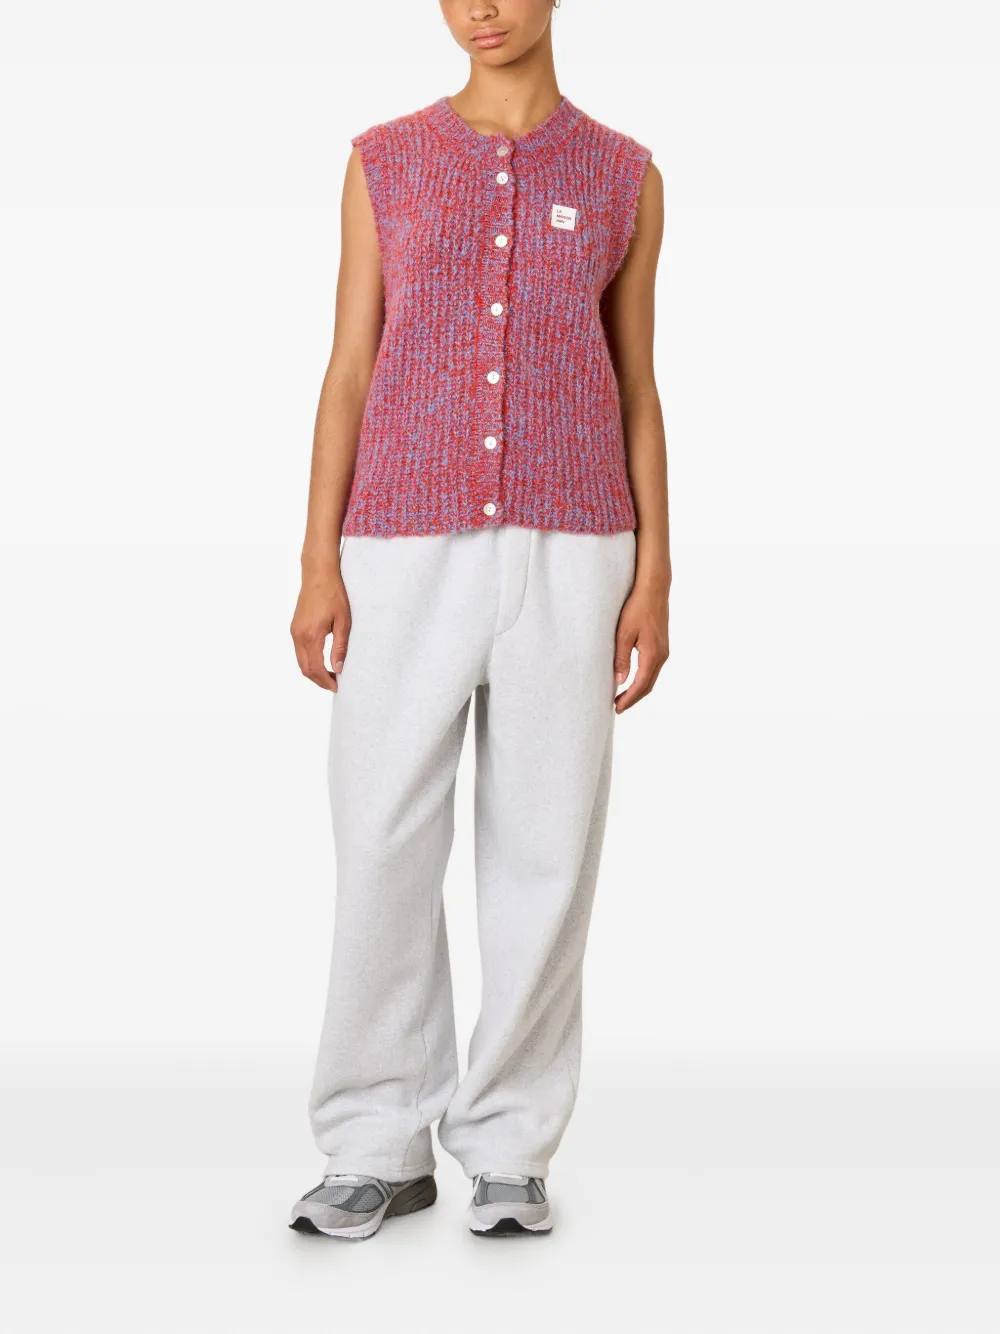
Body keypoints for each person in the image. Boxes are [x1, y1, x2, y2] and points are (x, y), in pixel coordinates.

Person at [288, 0, 670, 1240]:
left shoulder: (623, 174)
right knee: (381, 836)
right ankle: (373, 1138)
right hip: (401, 539)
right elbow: (349, 368)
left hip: (576, 542)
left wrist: (654, 574)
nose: (479, 8)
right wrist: (317, 558)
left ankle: (510, 1144)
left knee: (545, 851)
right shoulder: (385, 160)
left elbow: (636, 383)